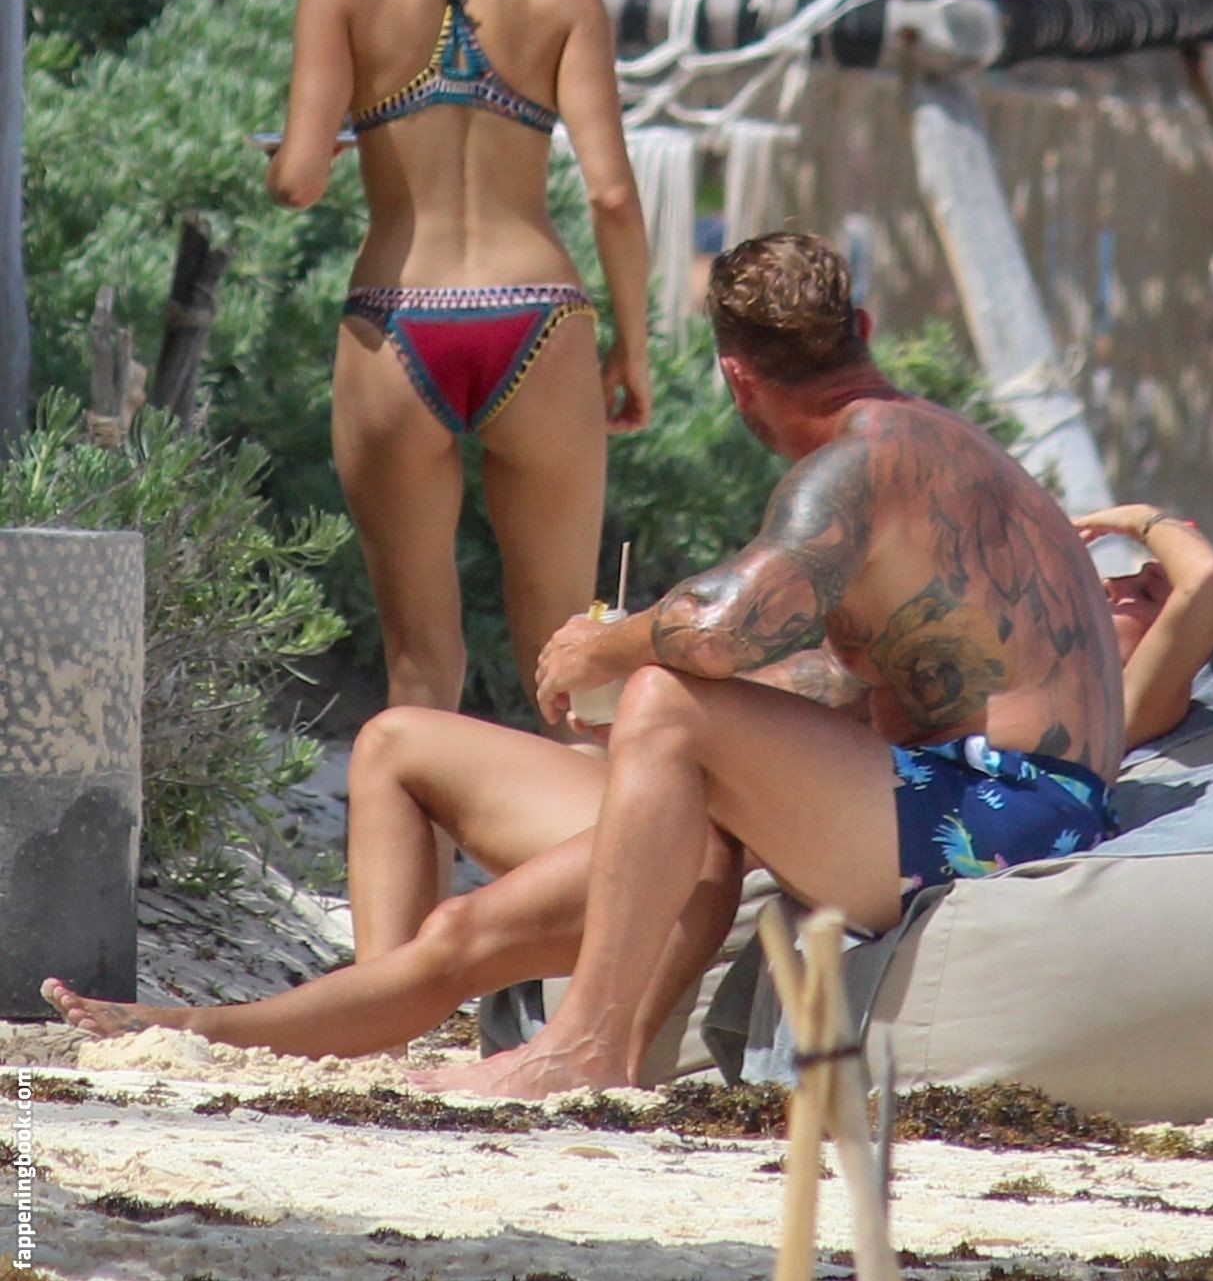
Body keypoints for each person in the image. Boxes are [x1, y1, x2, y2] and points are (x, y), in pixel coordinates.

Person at [44, 231, 1122, 1079]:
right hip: (929, 789)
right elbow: (858, 677)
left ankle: (587, 1047)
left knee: (663, 704)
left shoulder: (855, 465)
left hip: (1003, 812)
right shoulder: (935, 449)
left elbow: (715, 630)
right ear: (864, 330)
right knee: (398, 743)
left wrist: (595, 649)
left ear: (734, 378)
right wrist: (645, 718)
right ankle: (321, 1029)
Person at [264, 0, 651, 712]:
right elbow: (611, 195)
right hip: (540, 318)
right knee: (565, 668)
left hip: (398, 319)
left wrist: (303, 154)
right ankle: (586, 818)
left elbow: (299, 182)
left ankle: (417, 821)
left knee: (419, 670)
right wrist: (634, 350)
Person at [1075, 503, 1213, 749]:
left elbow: (1206, 579)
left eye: (1146, 592)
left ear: (1189, 650)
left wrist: (1143, 519)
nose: (1110, 584)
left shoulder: (1114, 716)